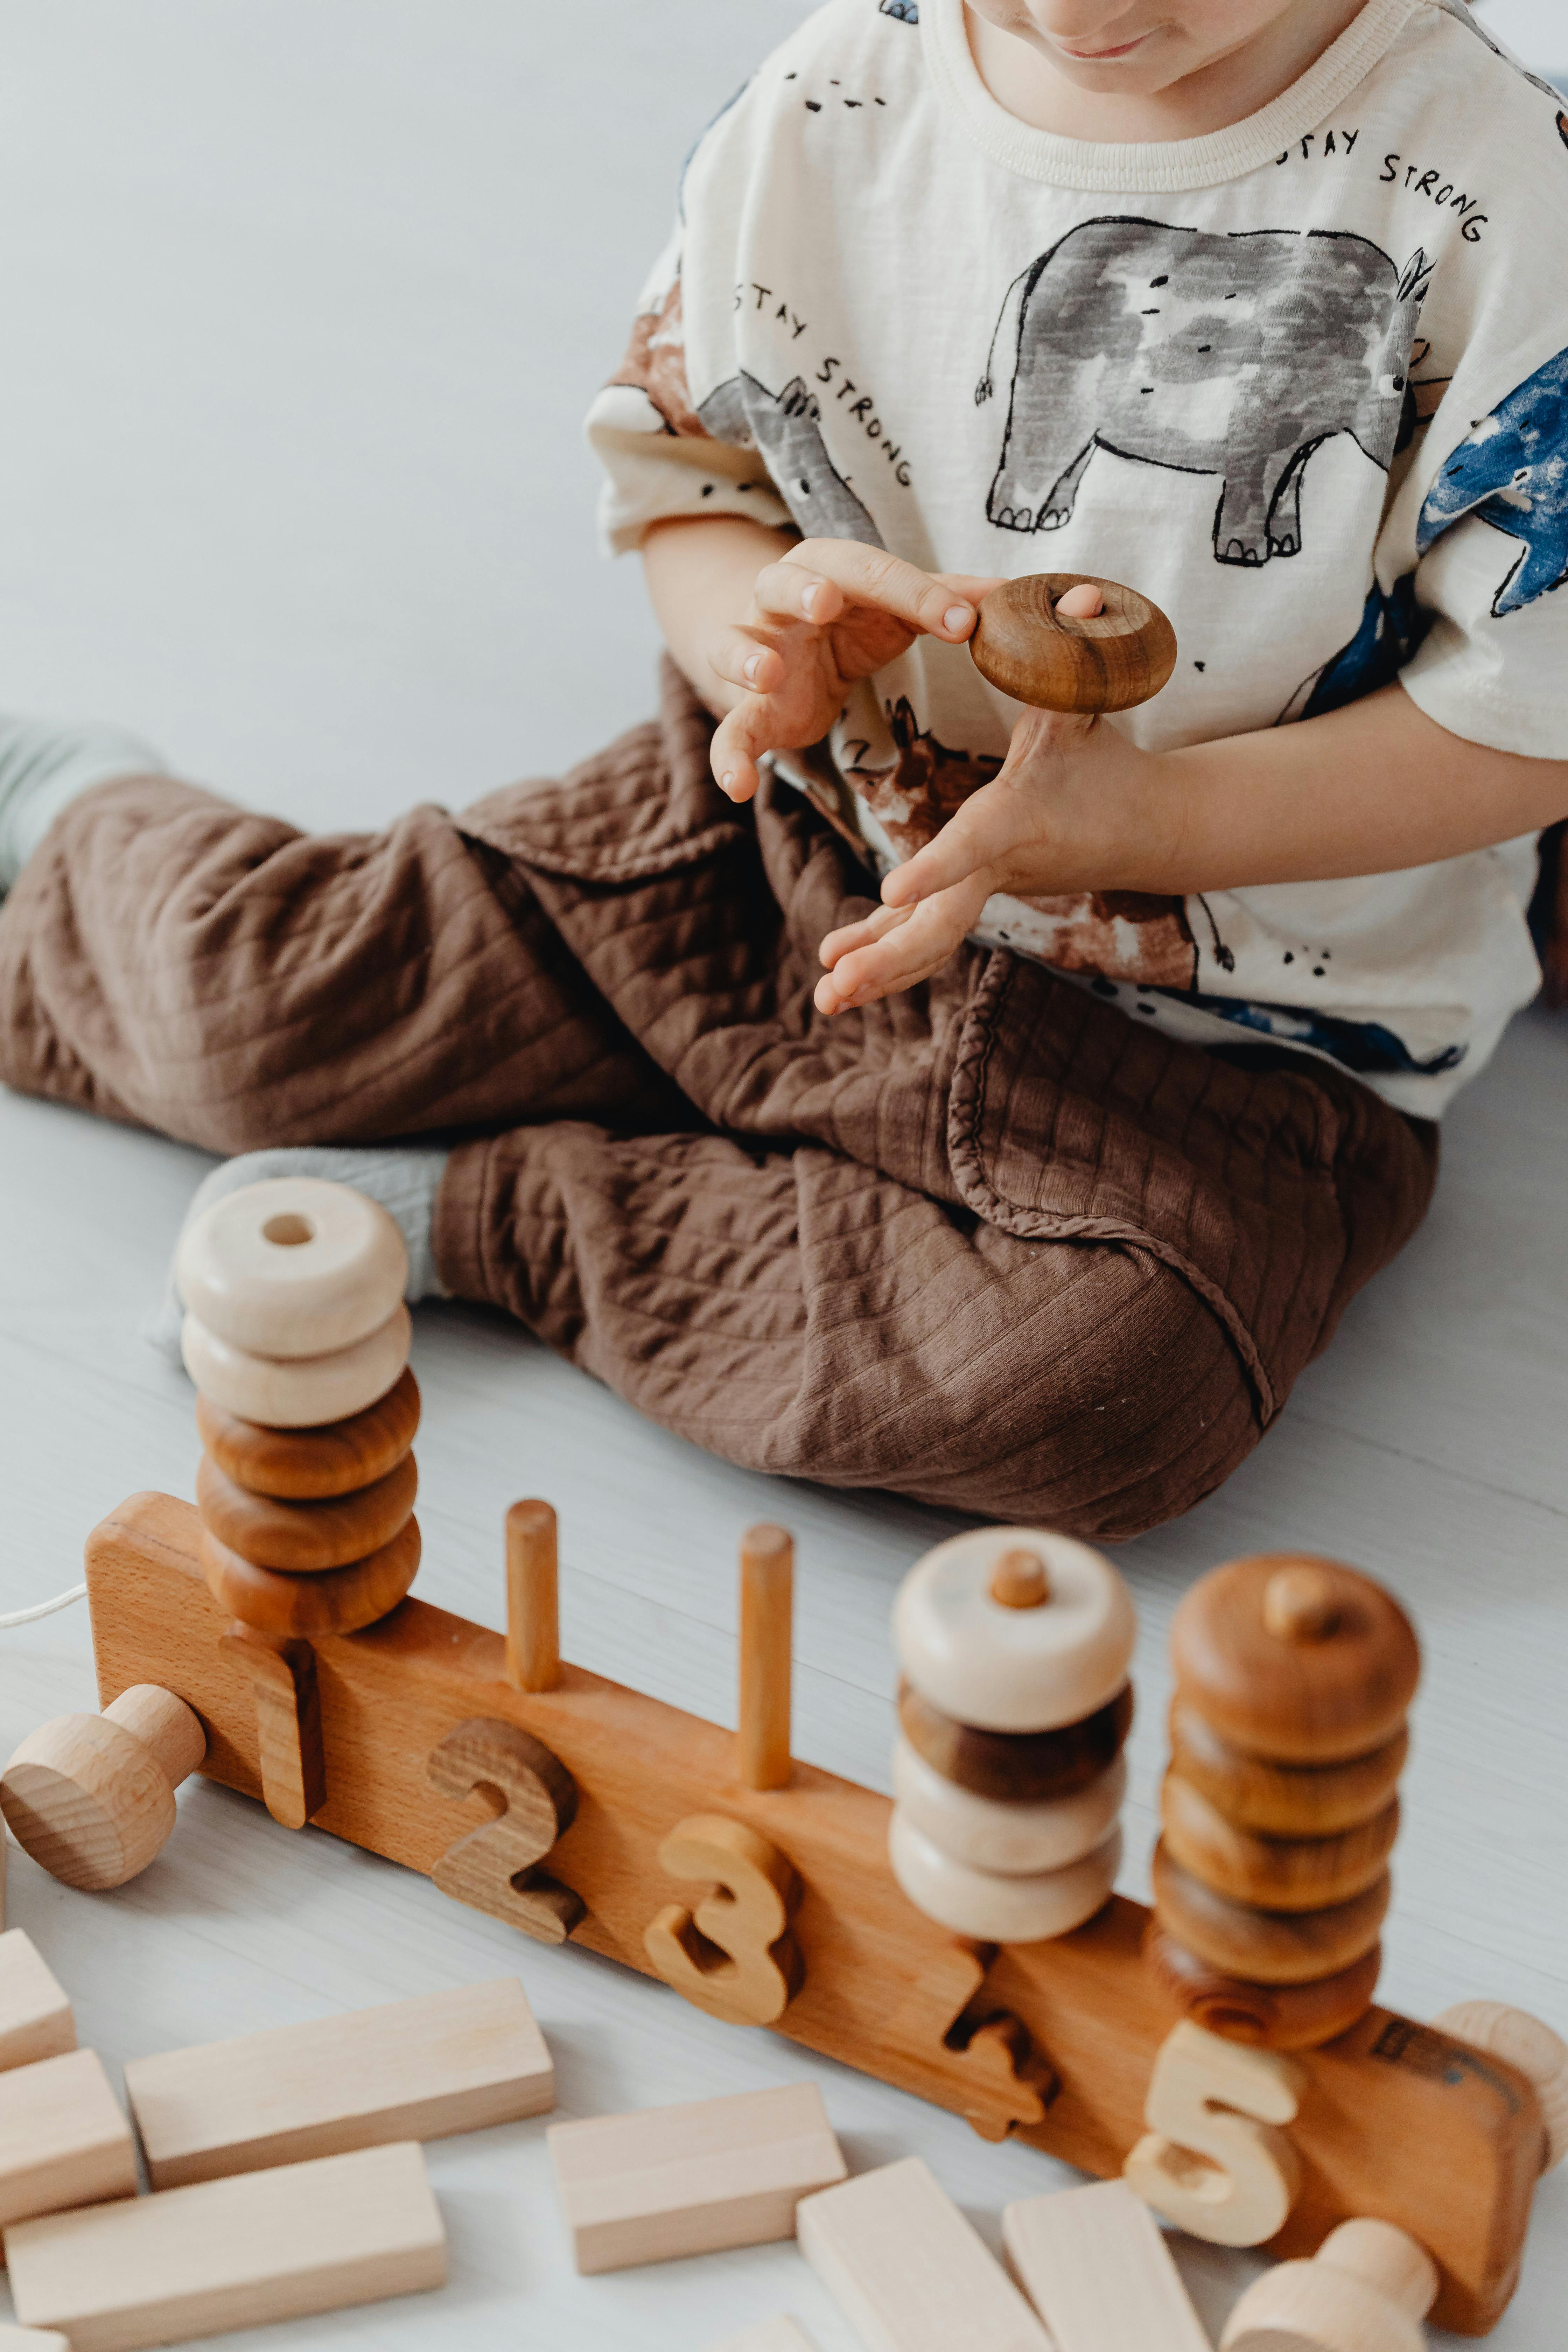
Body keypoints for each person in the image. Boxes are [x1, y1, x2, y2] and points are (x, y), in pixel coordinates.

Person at [3, 0, 1566, 1539]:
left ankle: (505, 1213)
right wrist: (751, 645)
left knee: (1092, 1399)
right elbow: (688, 476)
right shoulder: (837, 100)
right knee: (250, 1005)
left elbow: (1528, 716)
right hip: (775, 850)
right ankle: (65, 811)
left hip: (1213, 1043)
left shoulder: (1503, 194)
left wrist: (1156, 821)